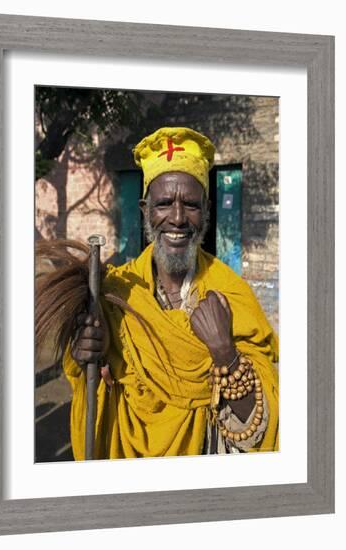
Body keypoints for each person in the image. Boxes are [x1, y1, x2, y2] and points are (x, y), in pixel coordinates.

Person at [63, 127, 279, 459]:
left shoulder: (231, 295)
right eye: (164, 203)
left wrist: (225, 353)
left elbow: (266, 431)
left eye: (190, 205)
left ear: (206, 210)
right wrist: (86, 355)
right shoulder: (113, 293)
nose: (177, 218)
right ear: (145, 209)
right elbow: (89, 385)